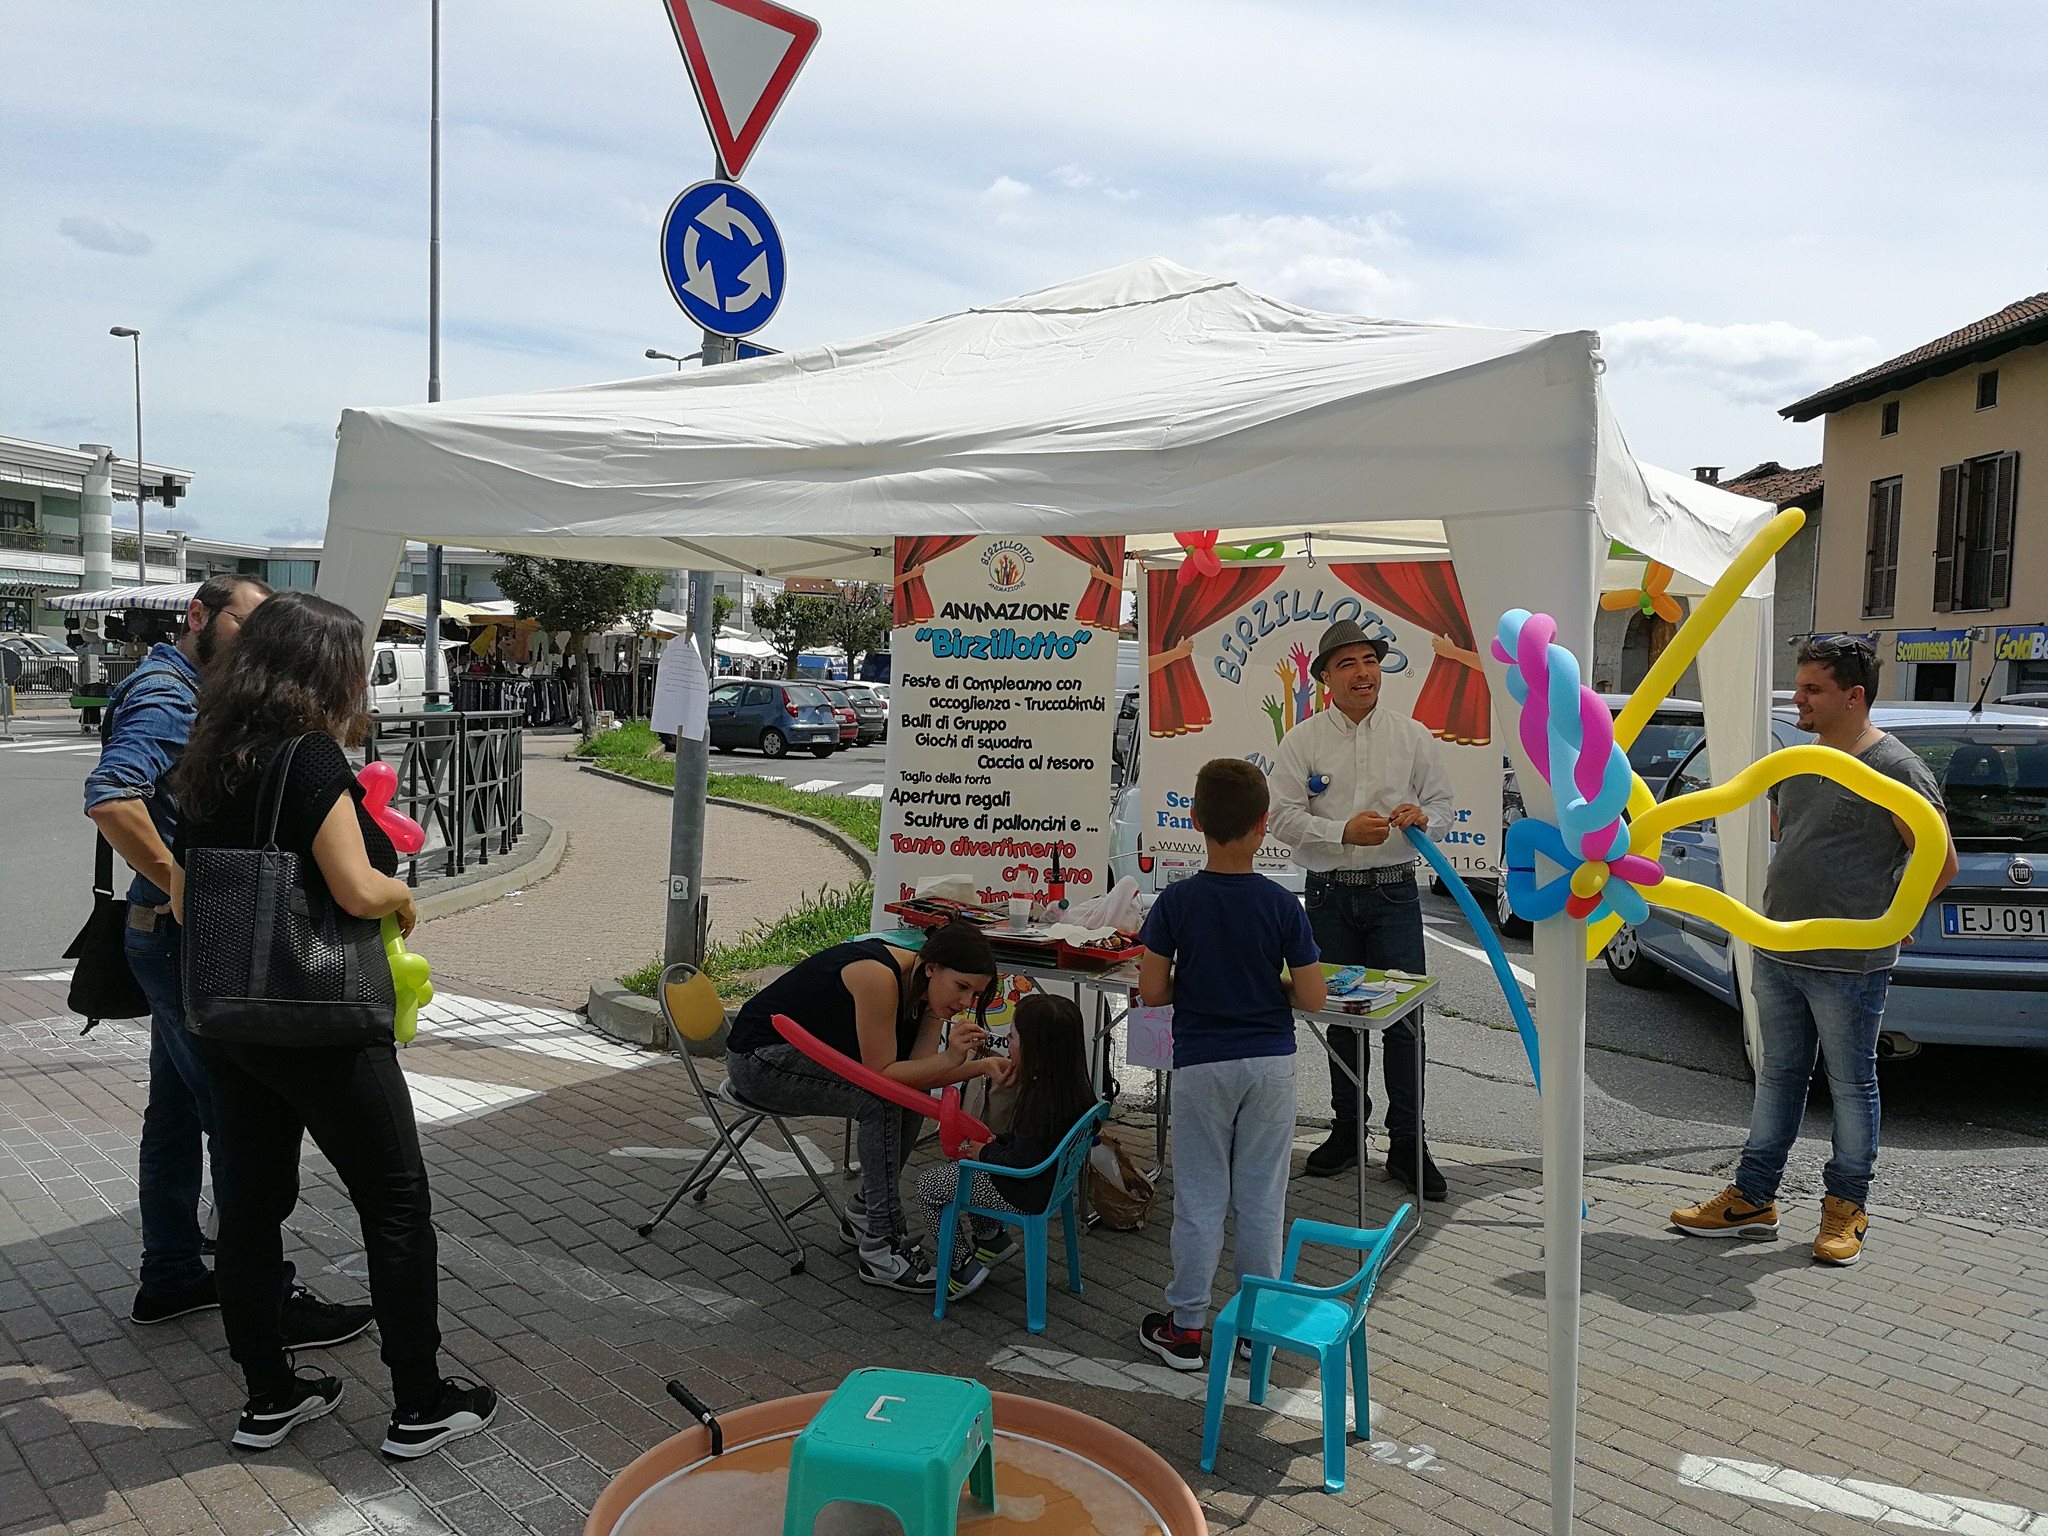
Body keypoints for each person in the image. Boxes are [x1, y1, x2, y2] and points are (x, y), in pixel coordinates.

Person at [170, 591, 495, 1455]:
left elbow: (183, 897)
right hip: (320, 1022)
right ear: (323, 671)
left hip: (229, 1020)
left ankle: (268, 1395)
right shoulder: (308, 756)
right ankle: (420, 1402)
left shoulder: (210, 755)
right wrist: (402, 898)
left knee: (248, 1207)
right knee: (396, 1204)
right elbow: (355, 887)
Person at [81, 575, 363, 1343]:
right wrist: (182, 883)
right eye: (249, 622)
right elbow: (111, 795)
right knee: (239, 1122)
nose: (259, 640)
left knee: (175, 1111)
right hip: (181, 934)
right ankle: (264, 1303)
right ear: (200, 616)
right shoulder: (167, 695)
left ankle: (172, 1272)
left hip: (164, 933)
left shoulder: (189, 688)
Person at [1672, 636, 1954, 1267]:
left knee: (1851, 1085)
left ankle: (1846, 1207)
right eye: (1798, 686)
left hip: (1848, 964)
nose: (1797, 699)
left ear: (1854, 696)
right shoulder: (1798, 761)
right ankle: (1752, 1199)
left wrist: (1898, 914)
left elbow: (1941, 860)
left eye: (1812, 689)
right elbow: (1793, 834)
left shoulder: (1897, 769)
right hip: (1778, 948)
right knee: (1777, 1075)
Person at [1136, 758, 1326, 1370]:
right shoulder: (1282, 904)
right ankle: (1254, 1327)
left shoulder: (1175, 902)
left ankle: (1187, 1326)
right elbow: (1314, 997)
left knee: (1199, 1198)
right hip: (1270, 1061)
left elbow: (1153, 992)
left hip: (1201, 1063)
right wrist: (1275, 988)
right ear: (1264, 824)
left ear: (1194, 819)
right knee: (1262, 1199)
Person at [1269, 619, 1455, 1198]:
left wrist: (1424, 819)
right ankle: (1347, 1132)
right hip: (1328, 895)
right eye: (1347, 664)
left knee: (1405, 1021)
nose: (1363, 673)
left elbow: (1444, 807)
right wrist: (1341, 831)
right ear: (1325, 678)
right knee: (1338, 1016)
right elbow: (1280, 817)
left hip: (1395, 892)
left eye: (1370, 661)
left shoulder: (1412, 735)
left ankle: (1408, 1145)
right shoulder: (1302, 741)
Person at [726, 921, 1008, 1292]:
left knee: (906, 1099)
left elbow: (916, 1079)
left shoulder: (926, 990)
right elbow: (884, 1076)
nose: (966, 1003)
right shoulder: (878, 977)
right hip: (758, 1061)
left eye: (976, 994)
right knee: (879, 1103)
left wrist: (983, 1066)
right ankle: (881, 1245)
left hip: (795, 1057)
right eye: (962, 987)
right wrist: (955, 1057)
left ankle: (864, 1212)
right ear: (932, 968)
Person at [914, 993, 1099, 1302]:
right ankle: (992, 1241)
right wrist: (997, 1142)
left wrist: (985, 1152)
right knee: (966, 1167)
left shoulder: (1039, 1102)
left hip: (1025, 1190)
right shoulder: (1071, 1087)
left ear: (1034, 1049)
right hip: (1054, 1184)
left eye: (1012, 1037)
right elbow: (1035, 1144)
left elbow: (1021, 1161)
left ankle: (961, 1268)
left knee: (931, 1186)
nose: (1006, 1043)